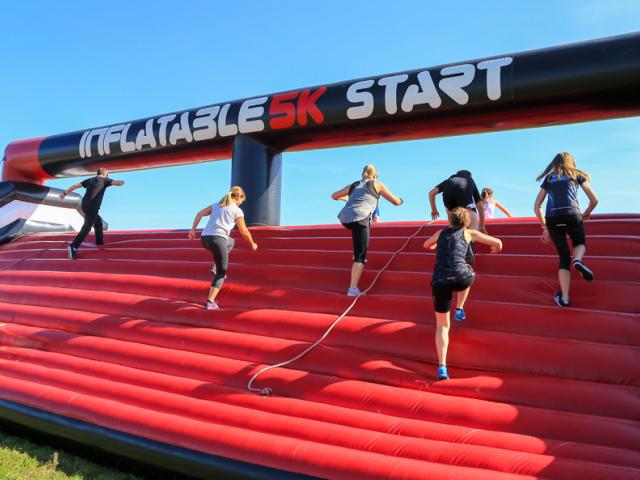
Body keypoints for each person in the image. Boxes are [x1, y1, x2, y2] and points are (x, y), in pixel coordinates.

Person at [423, 207, 502, 381]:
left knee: (442, 325)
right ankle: (459, 308)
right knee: (468, 272)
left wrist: (437, 244)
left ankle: (442, 366)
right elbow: (497, 242)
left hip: (440, 281)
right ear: (465, 222)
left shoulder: (440, 233)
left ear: (450, 220)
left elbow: (425, 245)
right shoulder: (469, 233)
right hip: (461, 278)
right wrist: (496, 249)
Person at [533, 152, 598, 307]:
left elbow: (537, 207)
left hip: (553, 219)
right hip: (572, 214)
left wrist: (545, 226)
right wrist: (586, 213)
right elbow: (594, 199)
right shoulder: (575, 174)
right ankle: (577, 260)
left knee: (563, 256)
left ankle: (565, 298)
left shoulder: (549, 178)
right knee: (579, 242)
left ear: (554, 163)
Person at [332, 164, 403, 296]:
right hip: (360, 217)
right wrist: (401, 200)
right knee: (360, 255)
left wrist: (347, 199)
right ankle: (352, 289)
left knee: (357, 240)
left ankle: (356, 256)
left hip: (345, 217)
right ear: (375, 175)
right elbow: (395, 201)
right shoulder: (377, 184)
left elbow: (334, 196)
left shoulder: (354, 185)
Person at [188, 186, 258, 310]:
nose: (242, 202)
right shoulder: (237, 210)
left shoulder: (216, 205)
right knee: (221, 273)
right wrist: (252, 244)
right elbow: (244, 231)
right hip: (218, 240)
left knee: (231, 241)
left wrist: (193, 230)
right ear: (239, 197)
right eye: (242, 200)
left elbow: (199, 214)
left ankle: (216, 265)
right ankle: (210, 302)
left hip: (205, 239)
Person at [59, 168, 125, 259]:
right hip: (92, 207)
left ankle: (99, 242)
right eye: (107, 175)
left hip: (84, 205)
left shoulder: (90, 180)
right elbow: (117, 183)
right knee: (86, 228)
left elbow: (75, 186)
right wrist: (122, 182)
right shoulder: (105, 179)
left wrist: (64, 193)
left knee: (98, 222)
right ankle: (73, 246)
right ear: (105, 174)